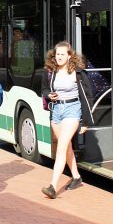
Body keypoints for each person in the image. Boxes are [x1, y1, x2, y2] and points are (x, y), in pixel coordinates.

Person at [40, 42, 94, 199]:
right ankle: (76, 177)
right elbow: (43, 88)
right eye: (57, 54)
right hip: (56, 111)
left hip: (72, 109)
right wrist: (49, 95)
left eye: (63, 54)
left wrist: (85, 121)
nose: (59, 57)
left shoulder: (78, 73)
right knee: (67, 146)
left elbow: (87, 96)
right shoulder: (50, 71)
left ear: (70, 56)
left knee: (61, 147)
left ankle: (52, 186)